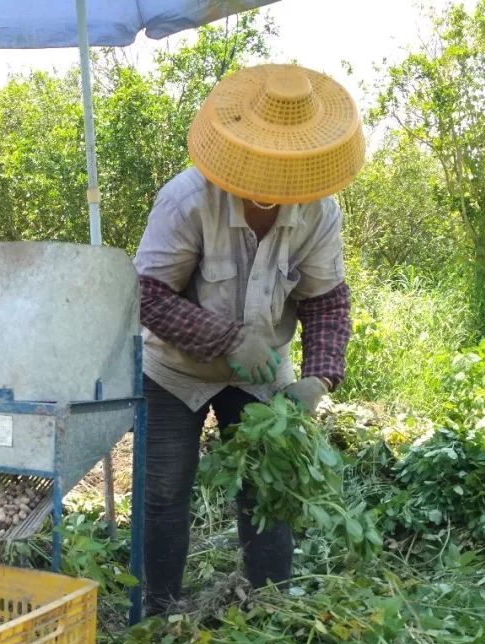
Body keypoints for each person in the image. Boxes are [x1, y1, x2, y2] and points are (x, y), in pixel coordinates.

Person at [134, 63, 365, 615]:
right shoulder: (187, 200)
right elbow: (146, 295)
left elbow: (327, 298)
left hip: (263, 373)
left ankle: (269, 611)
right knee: (164, 491)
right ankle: (160, 608)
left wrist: (319, 376)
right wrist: (226, 338)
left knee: (268, 491)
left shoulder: (318, 212)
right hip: (175, 371)